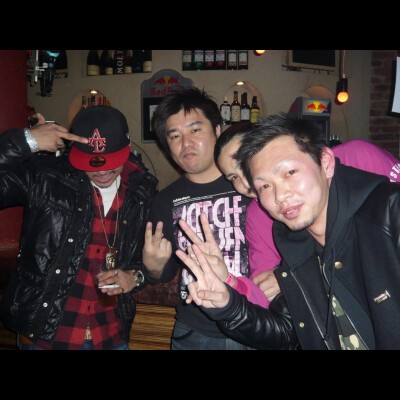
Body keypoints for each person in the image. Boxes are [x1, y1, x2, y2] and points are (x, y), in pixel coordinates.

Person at [176, 113, 400, 350]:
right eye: (264, 185)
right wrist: (227, 301)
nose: (279, 195)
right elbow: (287, 329)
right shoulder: (294, 245)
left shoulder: (388, 210)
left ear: (325, 162)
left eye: (289, 173)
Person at [0, 106, 158, 350]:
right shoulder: (46, 176)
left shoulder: (142, 190)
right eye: (91, 163)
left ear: (126, 147)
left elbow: (150, 262)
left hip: (110, 337)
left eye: (111, 162)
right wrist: (27, 140)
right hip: (45, 338)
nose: (102, 172)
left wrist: (135, 277)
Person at [214, 121, 400, 308]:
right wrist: (230, 283)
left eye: (246, 164)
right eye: (234, 177)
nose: (246, 182)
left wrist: (295, 277)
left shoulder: (356, 156)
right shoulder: (259, 214)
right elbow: (267, 292)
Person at [142, 86, 260, 350]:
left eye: (195, 130)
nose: (186, 144)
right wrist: (153, 266)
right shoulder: (164, 200)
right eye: (175, 136)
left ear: (217, 130)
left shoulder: (248, 185)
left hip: (254, 323)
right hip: (193, 331)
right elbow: (164, 273)